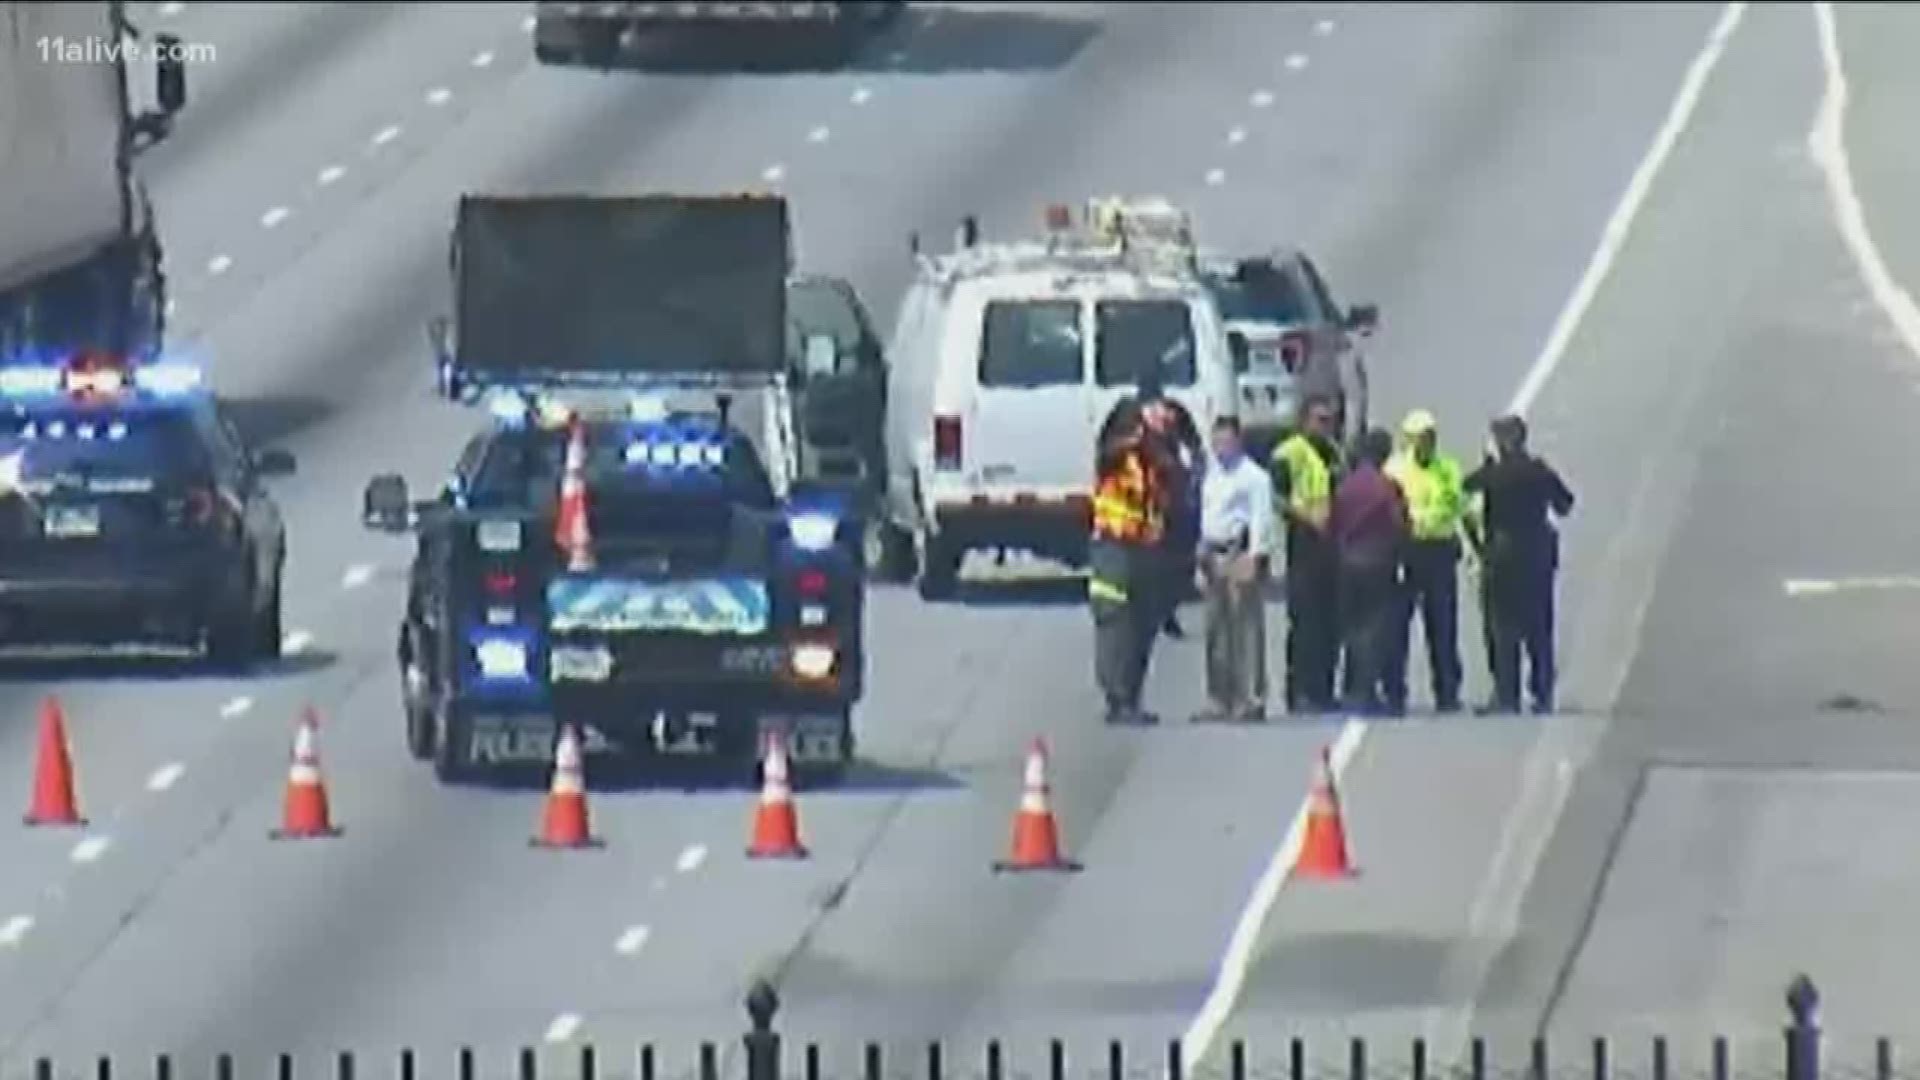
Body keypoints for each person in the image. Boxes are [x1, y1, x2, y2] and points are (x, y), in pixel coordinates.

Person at [1463, 414, 1575, 715]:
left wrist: (1487, 467)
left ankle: (1506, 692)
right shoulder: (1539, 471)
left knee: (1501, 626)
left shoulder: (1493, 474)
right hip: (1536, 555)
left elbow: (1465, 489)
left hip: (1501, 556)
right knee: (1539, 625)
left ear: (1499, 442)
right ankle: (1542, 691)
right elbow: (1565, 505)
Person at [1088, 393, 1173, 725]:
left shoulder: (1156, 460)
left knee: (1143, 625)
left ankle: (1133, 697)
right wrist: (1136, 438)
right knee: (1115, 624)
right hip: (1113, 548)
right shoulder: (1116, 456)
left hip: (1146, 549)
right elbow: (1108, 454)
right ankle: (1117, 697)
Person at [1382, 409, 1467, 715]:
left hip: (1440, 550)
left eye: (1429, 437)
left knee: (1443, 626)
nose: (1425, 443)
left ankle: (1447, 690)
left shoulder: (1448, 467)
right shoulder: (1394, 469)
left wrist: (1425, 520)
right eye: (1419, 438)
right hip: (1407, 550)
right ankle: (1394, 691)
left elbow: (1453, 503)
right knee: (1397, 626)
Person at [1193, 416, 1277, 722]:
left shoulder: (1254, 477)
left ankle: (1251, 699)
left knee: (1246, 630)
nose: (1220, 448)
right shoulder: (1212, 475)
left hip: (1238, 552)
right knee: (1216, 630)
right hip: (1211, 553)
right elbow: (1206, 513)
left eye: (1226, 441)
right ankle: (1219, 698)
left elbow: (1261, 518)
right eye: (1216, 442)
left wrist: (1255, 557)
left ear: (1239, 442)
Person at [1270, 395, 1344, 714]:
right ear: (1304, 421)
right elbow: (1276, 497)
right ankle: (1299, 691)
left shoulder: (1335, 451)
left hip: (1332, 548)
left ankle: (1323, 690)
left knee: (1331, 623)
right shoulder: (1289, 453)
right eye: (1319, 419)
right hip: (1303, 545)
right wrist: (1306, 516)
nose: (1325, 425)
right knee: (1305, 623)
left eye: (1329, 420)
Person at [1329, 427, 1409, 716]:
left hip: (1348, 562)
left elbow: (1332, 522)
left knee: (1353, 628)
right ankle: (1370, 690)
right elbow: (1400, 524)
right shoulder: (1387, 487)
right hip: (1379, 563)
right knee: (1378, 629)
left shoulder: (1345, 486)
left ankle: (1353, 688)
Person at [1138, 371, 1204, 640]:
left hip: (1171, 493)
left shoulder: (1172, 413)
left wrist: (1194, 476)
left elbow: (1195, 445)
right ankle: (1157, 610)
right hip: (1150, 495)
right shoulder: (1135, 418)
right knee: (1156, 560)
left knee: (1174, 557)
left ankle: (1165, 609)